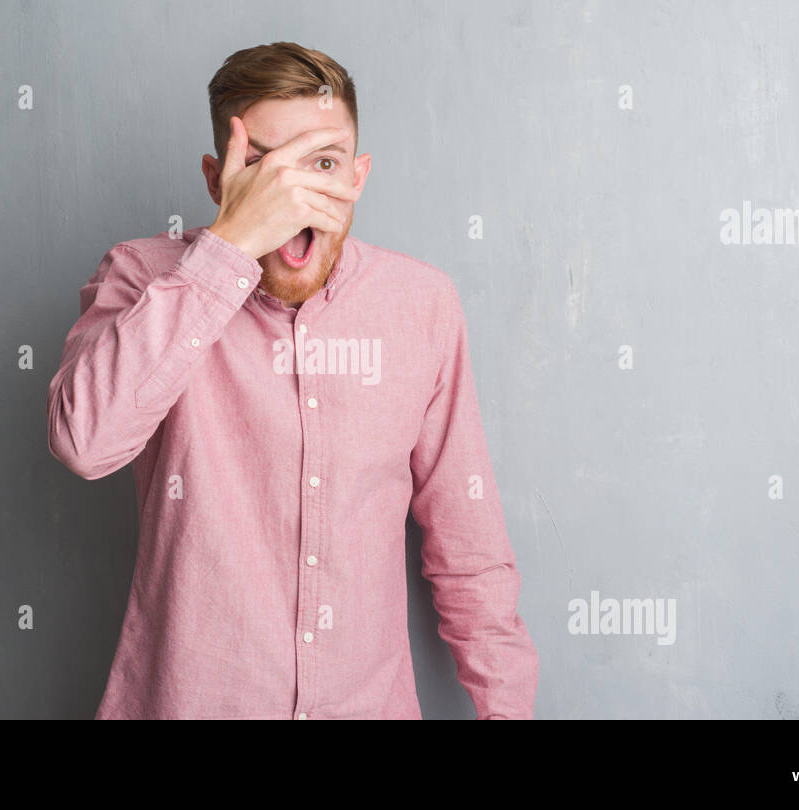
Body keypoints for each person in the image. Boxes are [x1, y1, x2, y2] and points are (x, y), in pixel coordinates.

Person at [46, 41, 538, 719]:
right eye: (262, 166)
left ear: (358, 178)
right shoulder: (141, 277)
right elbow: (84, 442)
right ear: (218, 180)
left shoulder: (422, 305)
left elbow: (468, 548)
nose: (293, 194)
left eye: (323, 164)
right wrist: (226, 251)